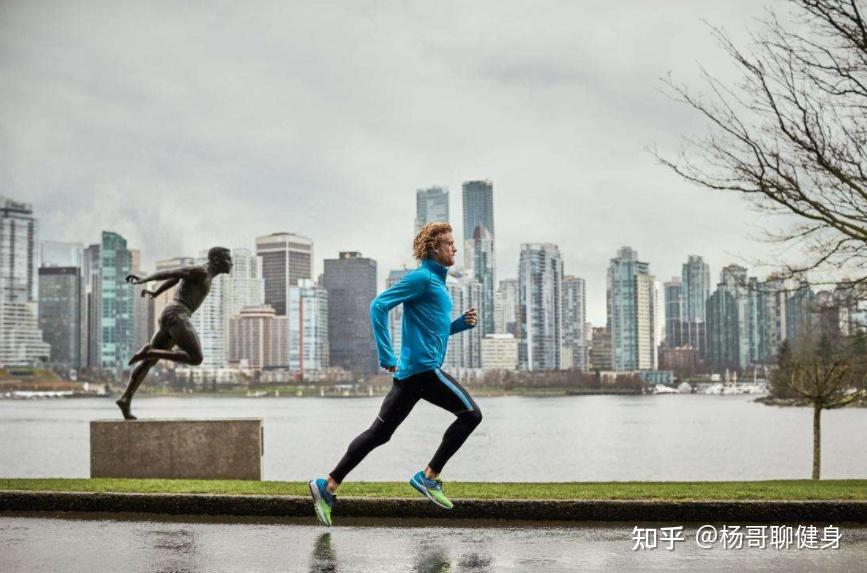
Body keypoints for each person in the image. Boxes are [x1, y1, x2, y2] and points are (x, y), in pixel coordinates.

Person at [309, 222, 482, 527]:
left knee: (379, 434)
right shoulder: (422, 278)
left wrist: (458, 325)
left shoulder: (438, 284)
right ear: (434, 248)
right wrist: (386, 354)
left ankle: (328, 485)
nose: (454, 248)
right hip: (423, 371)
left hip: (410, 376)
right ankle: (428, 477)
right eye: (449, 243)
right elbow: (379, 305)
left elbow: (433, 329)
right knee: (471, 415)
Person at [116, 247, 233, 420]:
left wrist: (157, 292)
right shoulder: (201, 271)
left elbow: (176, 278)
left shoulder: (204, 274)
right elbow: (172, 271)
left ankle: (126, 398)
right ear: (216, 259)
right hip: (177, 314)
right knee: (196, 358)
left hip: (170, 314)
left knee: (148, 363)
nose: (231, 263)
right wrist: (145, 280)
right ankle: (150, 352)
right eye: (228, 259)